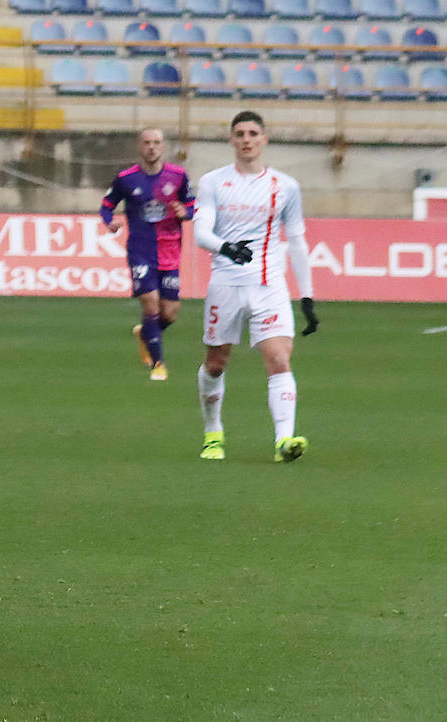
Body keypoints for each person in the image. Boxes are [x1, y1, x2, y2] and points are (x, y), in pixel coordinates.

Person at [192, 111, 319, 464]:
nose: (246, 139)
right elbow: (201, 231)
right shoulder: (213, 182)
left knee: (279, 358)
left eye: (252, 133)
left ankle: (284, 441)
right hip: (226, 285)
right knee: (216, 363)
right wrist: (226, 247)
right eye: (239, 134)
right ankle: (213, 433)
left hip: (269, 286)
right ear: (231, 141)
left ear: (264, 139)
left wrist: (306, 295)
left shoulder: (286, 186)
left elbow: (296, 241)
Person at [99, 128, 195, 382]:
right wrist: (109, 222)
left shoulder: (178, 176)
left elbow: (192, 204)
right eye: (146, 143)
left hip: (170, 251)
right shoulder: (126, 178)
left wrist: (185, 212)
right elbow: (106, 205)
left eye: (156, 142)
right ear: (139, 147)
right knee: (150, 302)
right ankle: (158, 364)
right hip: (141, 251)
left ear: (163, 146)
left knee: (170, 312)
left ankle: (146, 334)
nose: (151, 147)